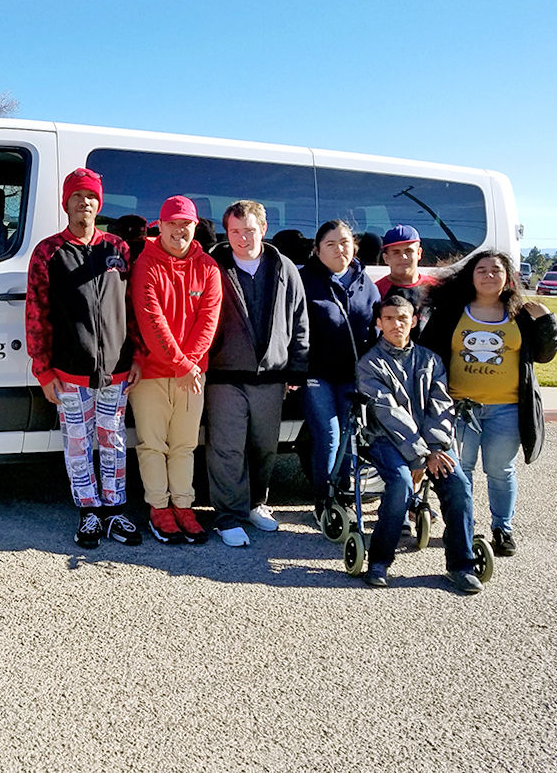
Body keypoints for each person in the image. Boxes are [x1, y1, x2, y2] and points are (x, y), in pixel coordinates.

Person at [26, 168, 142, 549]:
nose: (85, 203)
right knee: (77, 442)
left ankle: (115, 510)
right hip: (69, 371)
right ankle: (88, 510)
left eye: (91, 197)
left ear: (99, 203)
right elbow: (36, 314)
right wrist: (42, 370)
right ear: (66, 202)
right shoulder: (48, 251)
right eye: (77, 196)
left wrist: (138, 353)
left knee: (114, 442)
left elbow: (132, 307)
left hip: (117, 370)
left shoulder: (118, 250)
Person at [420, 250, 557, 556]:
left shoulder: (522, 314)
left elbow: (544, 355)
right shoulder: (452, 311)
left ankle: (502, 528)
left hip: (506, 408)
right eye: (481, 270)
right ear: (471, 276)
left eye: (496, 270)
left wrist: (547, 322)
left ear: (508, 277)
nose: (488, 275)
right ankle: (462, 526)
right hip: (459, 407)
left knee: (500, 470)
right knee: (460, 470)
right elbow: (427, 352)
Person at [357, 294, 484, 594]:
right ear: (379, 323)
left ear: (413, 321)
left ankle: (461, 565)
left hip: (434, 445)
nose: (396, 324)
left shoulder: (431, 360)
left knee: (458, 485)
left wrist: (436, 448)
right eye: (389, 318)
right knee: (400, 483)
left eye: (403, 318)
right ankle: (379, 561)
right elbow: (389, 413)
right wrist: (423, 454)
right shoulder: (369, 364)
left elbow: (441, 407)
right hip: (386, 441)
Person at [204, 201, 309, 547]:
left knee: (264, 446)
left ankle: (255, 504)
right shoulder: (213, 266)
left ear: (263, 229)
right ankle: (228, 516)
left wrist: (297, 366)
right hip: (224, 375)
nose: (241, 238)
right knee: (227, 447)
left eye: (248, 230)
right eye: (234, 231)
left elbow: (299, 322)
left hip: (272, 375)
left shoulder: (284, 267)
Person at [129, 195, 223, 544]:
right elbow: (151, 321)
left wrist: (190, 364)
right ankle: (158, 507)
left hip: (193, 373)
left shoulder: (208, 268)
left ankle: (184, 506)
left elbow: (208, 320)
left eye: (186, 223)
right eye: (172, 223)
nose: (179, 230)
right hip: (153, 372)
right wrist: (182, 363)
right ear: (160, 225)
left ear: (194, 226)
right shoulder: (146, 264)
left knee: (184, 444)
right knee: (152, 444)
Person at [298, 220, 379, 523]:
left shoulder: (365, 283)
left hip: (353, 376)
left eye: (345, 242)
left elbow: (374, 330)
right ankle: (324, 498)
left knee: (349, 436)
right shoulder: (304, 280)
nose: (339, 249)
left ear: (354, 246)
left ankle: (342, 497)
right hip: (316, 373)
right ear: (317, 250)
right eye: (330, 244)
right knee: (328, 435)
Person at [376, 225, 438, 333]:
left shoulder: (435, 288)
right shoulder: (377, 291)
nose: (403, 257)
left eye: (408, 251)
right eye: (396, 252)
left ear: (419, 253)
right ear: (386, 258)